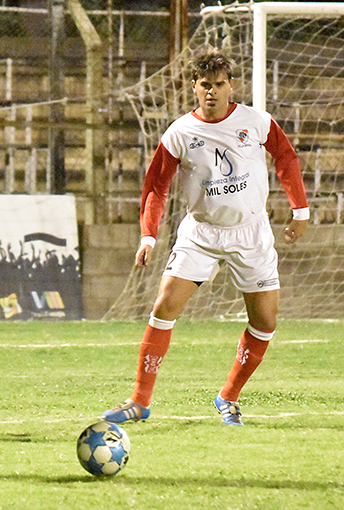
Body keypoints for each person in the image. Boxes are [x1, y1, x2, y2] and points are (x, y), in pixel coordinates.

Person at [101, 48, 309, 426]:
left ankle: (227, 397)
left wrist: (301, 209)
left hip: (251, 232)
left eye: (218, 84)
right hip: (201, 233)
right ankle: (139, 401)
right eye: (204, 85)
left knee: (265, 321)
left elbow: (286, 158)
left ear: (230, 85)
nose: (211, 91)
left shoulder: (256, 121)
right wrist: (148, 236)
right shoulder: (180, 132)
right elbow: (156, 187)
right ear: (193, 87)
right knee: (164, 307)